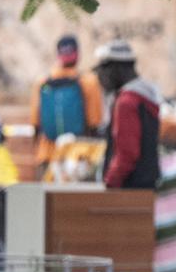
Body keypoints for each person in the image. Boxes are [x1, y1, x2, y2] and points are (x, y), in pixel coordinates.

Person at [31, 35, 104, 174]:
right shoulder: (89, 81)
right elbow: (95, 121)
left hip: (48, 154)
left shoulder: (41, 82)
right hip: (79, 156)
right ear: (78, 54)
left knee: (47, 196)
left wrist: (37, 153)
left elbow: (35, 122)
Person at [96, 40, 162, 190]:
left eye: (104, 69)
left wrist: (110, 183)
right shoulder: (147, 94)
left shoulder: (126, 102)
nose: (101, 76)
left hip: (130, 188)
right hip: (147, 185)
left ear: (117, 68)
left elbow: (127, 154)